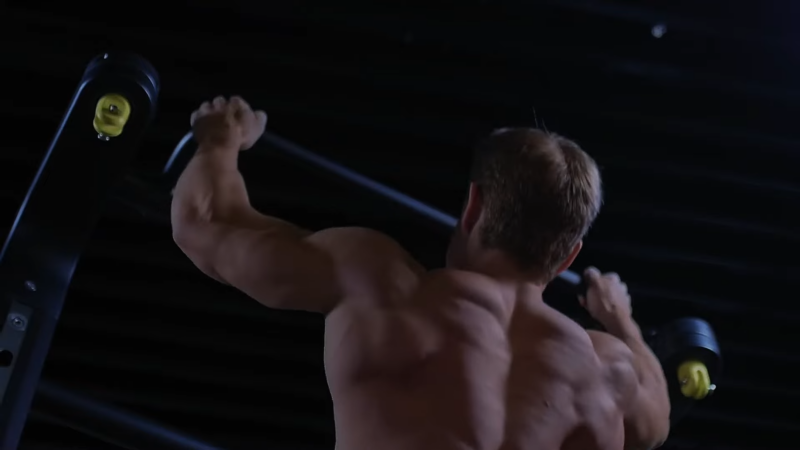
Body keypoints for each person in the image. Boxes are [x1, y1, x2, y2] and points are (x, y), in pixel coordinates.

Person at [171, 96, 671, 450]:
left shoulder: (378, 281)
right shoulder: (608, 372)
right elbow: (656, 423)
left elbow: (204, 223)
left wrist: (219, 139)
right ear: (568, 257)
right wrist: (619, 317)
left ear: (472, 208)